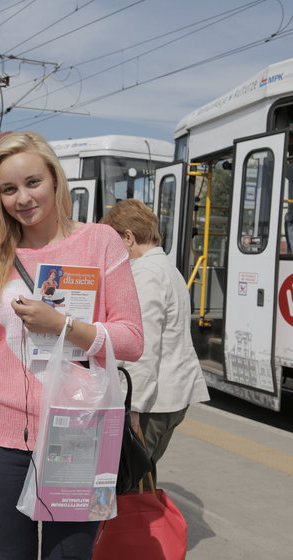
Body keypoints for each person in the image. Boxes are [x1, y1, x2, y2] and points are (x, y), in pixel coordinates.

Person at [0, 131, 143, 560]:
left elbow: (131, 340)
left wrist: (64, 325)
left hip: (78, 434)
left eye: (33, 182)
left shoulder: (99, 242)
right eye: (9, 189)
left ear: (54, 178)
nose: (23, 198)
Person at [100, 199, 210, 482]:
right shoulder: (169, 270)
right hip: (171, 397)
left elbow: (143, 348)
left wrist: (132, 407)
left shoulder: (145, 275)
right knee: (142, 475)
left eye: (112, 243)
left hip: (151, 403)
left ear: (128, 236)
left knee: (125, 481)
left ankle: (133, 528)